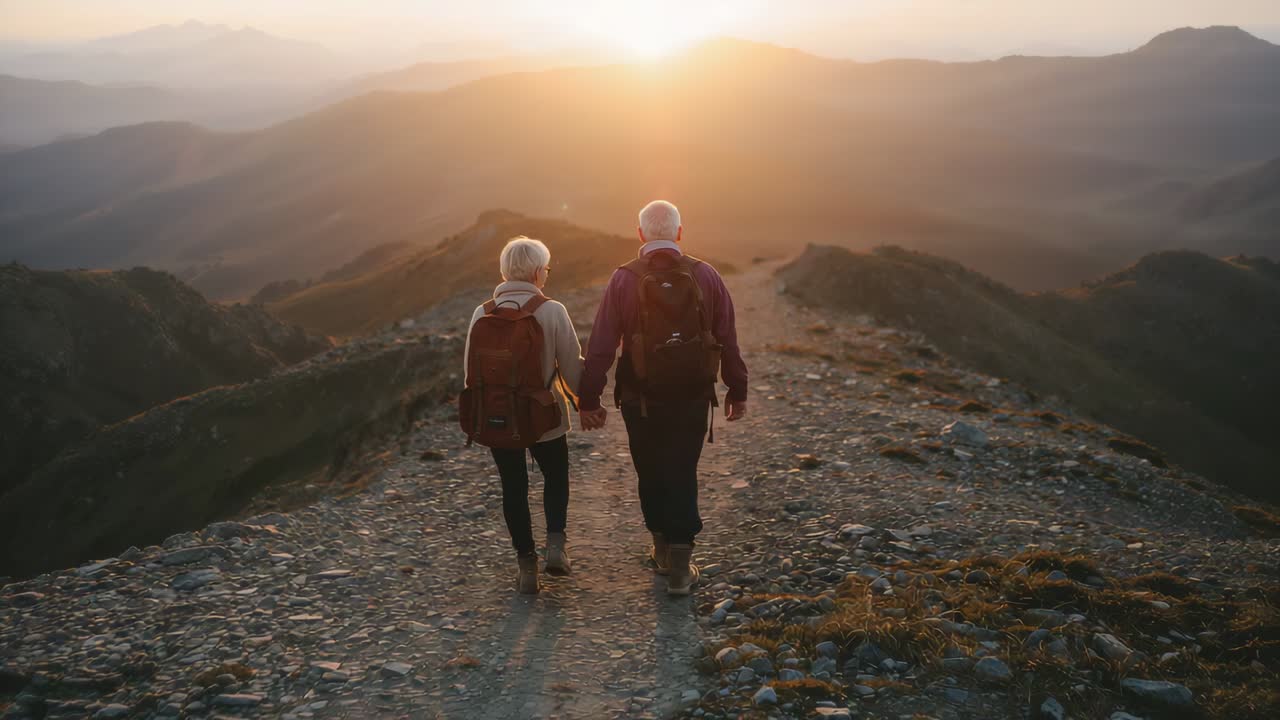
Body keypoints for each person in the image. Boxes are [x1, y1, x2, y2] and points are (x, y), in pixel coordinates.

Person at [578, 200, 748, 596]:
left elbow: (601, 344)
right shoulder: (706, 275)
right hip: (693, 394)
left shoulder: (624, 279)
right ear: (679, 233)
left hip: (640, 397)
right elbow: (727, 338)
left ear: (640, 234)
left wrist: (589, 398)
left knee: (650, 469)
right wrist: (736, 389)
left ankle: (661, 549)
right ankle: (681, 568)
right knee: (682, 470)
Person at [463, 236, 584, 594]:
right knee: (556, 475)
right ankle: (556, 547)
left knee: (513, 487)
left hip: (499, 417)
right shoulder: (552, 310)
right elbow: (572, 368)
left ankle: (527, 566)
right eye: (546, 269)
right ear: (536, 272)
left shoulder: (482, 313)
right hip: (544, 416)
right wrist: (587, 401)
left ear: (505, 272)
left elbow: (470, 373)